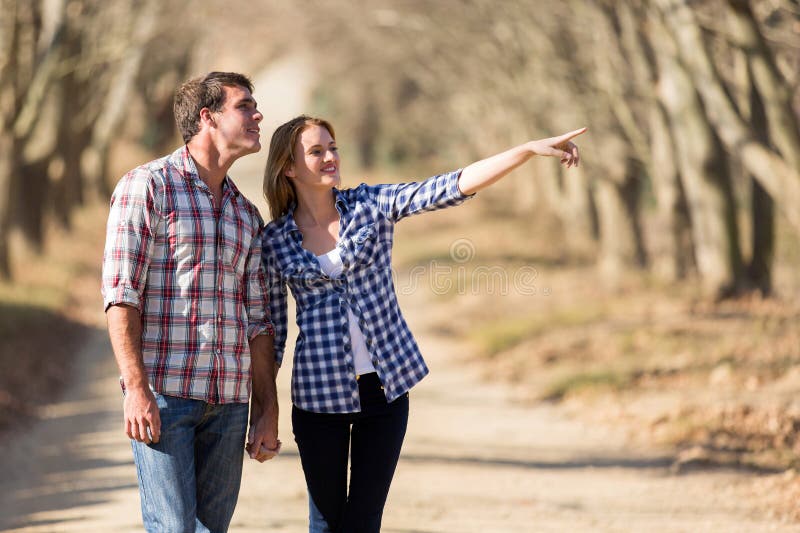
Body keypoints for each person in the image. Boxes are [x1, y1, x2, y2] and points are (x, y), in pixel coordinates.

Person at [260, 115, 585, 532]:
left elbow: (450, 186)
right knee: (324, 523)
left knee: (362, 522)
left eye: (333, 147)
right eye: (316, 151)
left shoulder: (370, 205)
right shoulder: (272, 242)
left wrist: (524, 150)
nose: (330, 158)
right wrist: (264, 413)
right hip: (318, 399)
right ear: (289, 167)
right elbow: (271, 333)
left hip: (385, 393)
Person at [101, 71, 281, 533]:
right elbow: (122, 296)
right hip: (165, 399)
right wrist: (135, 388)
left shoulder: (247, 213)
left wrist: (266, 407)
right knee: (173, 529)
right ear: (208, 117)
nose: (257, 114)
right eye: (245, 106)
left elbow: (258, 320)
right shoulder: (148, 186)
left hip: (229, 403)